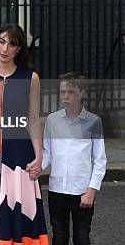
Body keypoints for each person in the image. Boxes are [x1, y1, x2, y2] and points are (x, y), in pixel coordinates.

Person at [0, 23, 48, 245]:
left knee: (19, 212)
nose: (5, 48)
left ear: (19, 49)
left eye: (12, 44)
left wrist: (39, 157)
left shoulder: (30, 78)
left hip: (19, 154)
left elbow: (33, 119)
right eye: (1, 41)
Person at [42, 72, 106, 245]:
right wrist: (36, 168)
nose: (66, 96)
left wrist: (91, 191)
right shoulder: (52, 120)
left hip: (82, 192)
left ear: (82, 93)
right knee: (59, 237)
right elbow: (47, 152)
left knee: (82, 237)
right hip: (57, 190)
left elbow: (100, 160)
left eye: (71, 92)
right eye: (63, 92)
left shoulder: (94, 122)